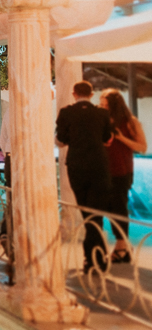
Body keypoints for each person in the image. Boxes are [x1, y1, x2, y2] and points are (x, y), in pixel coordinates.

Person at [55, 81, 113, 272]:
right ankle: (97, 258)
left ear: (74, 94)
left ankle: (94, 259)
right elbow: (107, 140)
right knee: (95, 214)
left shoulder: (66, 113)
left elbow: (60, 142)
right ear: (91, 94)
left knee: (87, 212)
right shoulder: (102, 114)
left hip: (77, 167)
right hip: (99, 167)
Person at [100, 88, 147, 263]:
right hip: (105, 171)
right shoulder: (102, 120)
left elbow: (142, 147)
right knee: (109, 208)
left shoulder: (129, 122)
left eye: (106, 105)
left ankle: (121, 246)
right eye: (101, 104)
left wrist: (121, 138)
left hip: (122, 170)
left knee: (119, 207)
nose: (103, 108)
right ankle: (124, 244)